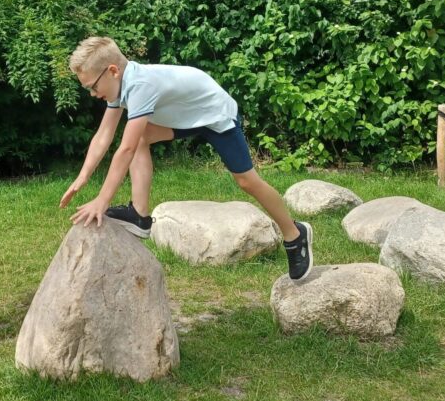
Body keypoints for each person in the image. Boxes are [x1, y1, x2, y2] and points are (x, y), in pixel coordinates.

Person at [59, 37, 313, 280]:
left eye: (92, 86)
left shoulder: (140, 85)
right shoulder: (119, 87)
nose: (92, 93)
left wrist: (102, 201)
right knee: (141, 139)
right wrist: (82, 177)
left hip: (214, 115)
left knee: (246, 181)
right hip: (186, 116)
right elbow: (103, 135)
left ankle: (294, 233)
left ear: (113, 71)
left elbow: (125, 149)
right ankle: (139, 214)